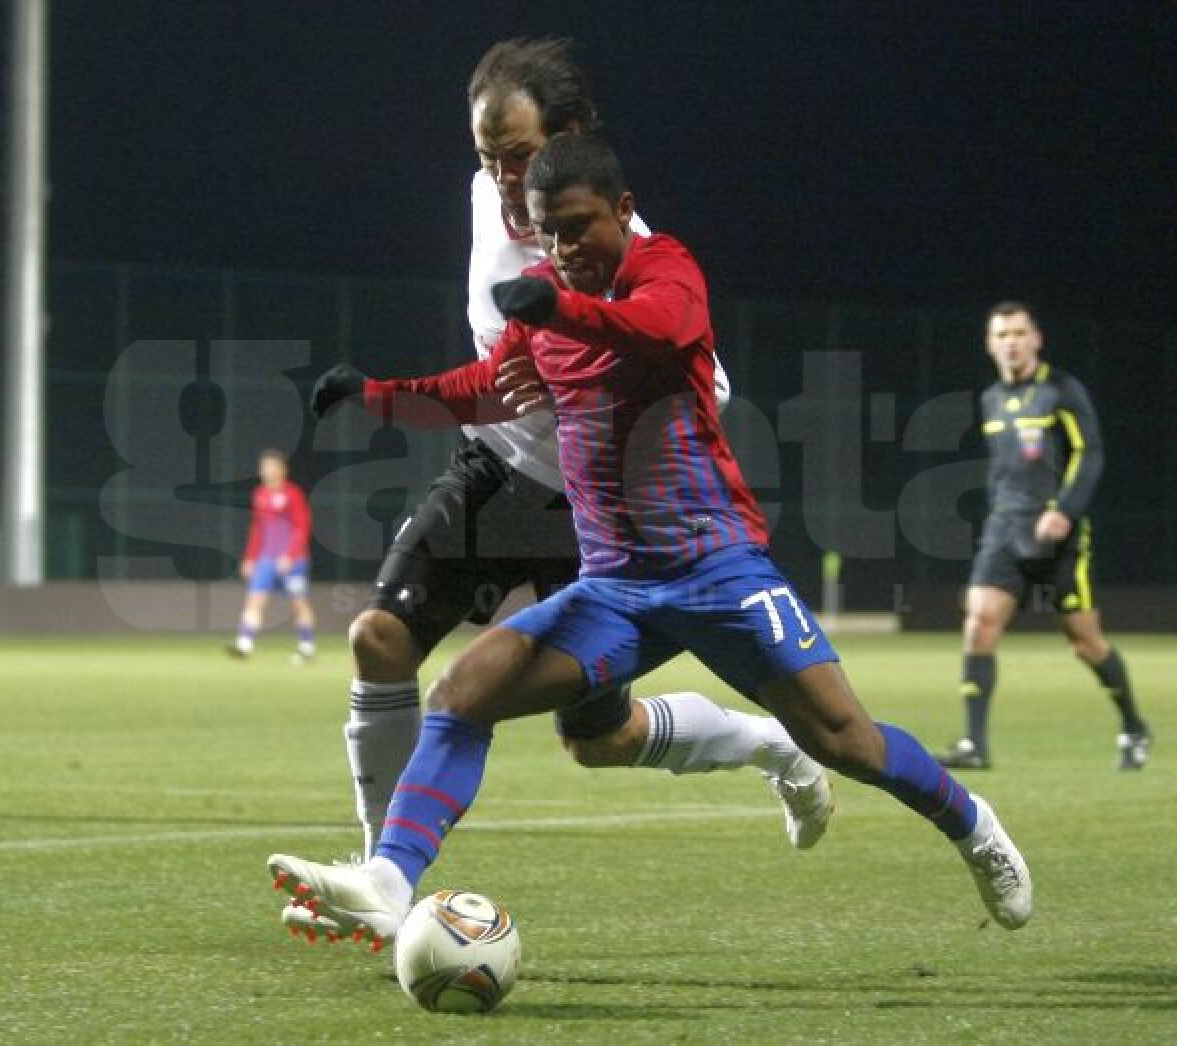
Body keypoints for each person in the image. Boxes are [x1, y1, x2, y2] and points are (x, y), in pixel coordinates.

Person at [270, 134, 1032, 948]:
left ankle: (975, 826)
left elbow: (658, 330)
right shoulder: (542, 293)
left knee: (847, 741)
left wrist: (556, 307)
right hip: (613, 589)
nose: (565, 249)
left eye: (579, 228)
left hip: (719, 570)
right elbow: (484, 389)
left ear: (623, 213)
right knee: (462, 693)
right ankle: (389, 881)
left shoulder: (665, 269)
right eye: (548, 232)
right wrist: (377, 394)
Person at [275, 38, 831, 940]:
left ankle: (774, 746)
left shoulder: (628, 249)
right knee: (379, 639)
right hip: (493, 472)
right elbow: (493, 356)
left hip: (594, 511)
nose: (500, 178)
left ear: (569, 137)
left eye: (520, 156)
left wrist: (588, 367)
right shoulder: (483, 197)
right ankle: (382, 884)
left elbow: (708, 387)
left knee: (596, 741)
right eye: (487, 156)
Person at [937, 303, 1150, 771]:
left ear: (1037, 339)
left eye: (1018, 332)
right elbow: (1006, 468)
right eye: (1001, 334)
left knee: (1085, 641)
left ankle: (1134, 727)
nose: (1011, 342)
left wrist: (1065, 511)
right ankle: (975, 743)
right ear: (990, 344)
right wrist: (998, 511)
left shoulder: (1061, 390)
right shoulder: (991, 399)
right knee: (979, 622)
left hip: (1060, 536)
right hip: (1005, 530)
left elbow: (1088, 453)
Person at [229, 448, 316, 663]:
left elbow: (303, 526)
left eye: (271, 466)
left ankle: (306, 646)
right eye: (264, 467)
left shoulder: (293, 494)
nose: (267, 471)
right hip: (266, 559)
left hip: (293, 561)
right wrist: (250, 558)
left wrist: (291, 555)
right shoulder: (260, 494)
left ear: (283, 469)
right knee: (254, 600)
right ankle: (244, 644)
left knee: (299, 604)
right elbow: (258, 529)